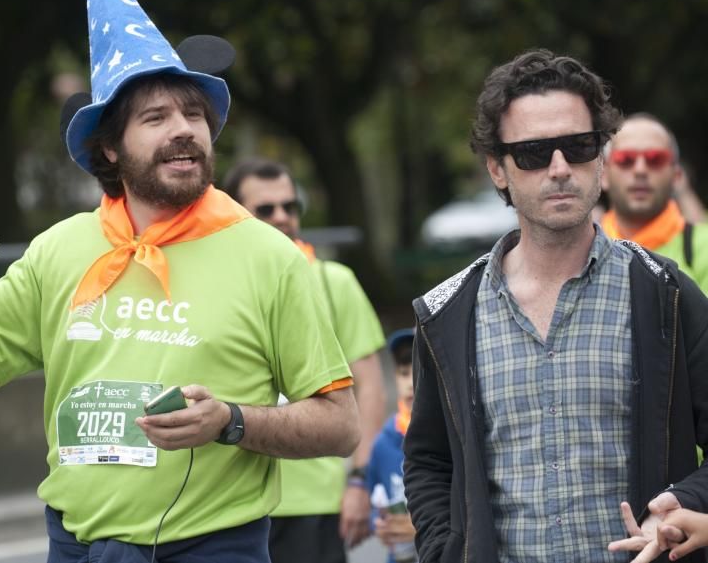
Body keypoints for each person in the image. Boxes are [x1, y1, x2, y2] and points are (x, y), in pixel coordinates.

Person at [0, 0, 359, 562]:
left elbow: (341, 426)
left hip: (211, 550)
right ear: (109, 145)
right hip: (77, 549)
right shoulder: (59, 249)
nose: (183, 130)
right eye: (156, 118)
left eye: (193, 114)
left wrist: (229, 421)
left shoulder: (268, 255)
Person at [402, 48, 708, 563]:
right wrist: (444, 550)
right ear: (498, 169)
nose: (560, 168)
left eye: (579, 146)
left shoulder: (666, 295)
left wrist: (689, 503)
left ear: (602, 156)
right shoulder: (447, 313)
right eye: (534, 153)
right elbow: (429, 462)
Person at [222, 158, 387, 562]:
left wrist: (359, 481)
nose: (282, 217)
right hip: (229, 502)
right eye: (266, 209)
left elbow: (371, 390)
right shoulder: (215, 285)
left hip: (314, 503)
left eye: (290, 206)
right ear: (234, 212)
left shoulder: (335, 282)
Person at [601, 113, 708, 292]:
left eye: (655, 159)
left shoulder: (703, 246)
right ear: (603, 175)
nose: (640, 170)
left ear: (676, 176)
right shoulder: (580, 249)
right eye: (626, 159)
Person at [365, 328, 417, 563]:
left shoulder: (456, 439)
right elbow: (374, 498)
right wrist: (381, 522)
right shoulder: (383, 444)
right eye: (404, 373)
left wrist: (421, 529)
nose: (410, 383)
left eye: (419, 371)